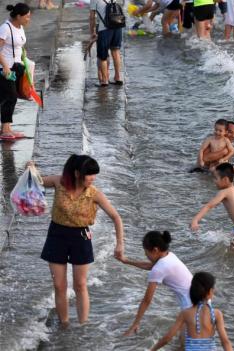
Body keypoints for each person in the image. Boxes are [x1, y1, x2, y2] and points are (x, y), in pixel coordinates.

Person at [31, 154, 124, 327]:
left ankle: (83, 326)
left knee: (80, 285)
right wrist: (31, 169)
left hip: (80, 238)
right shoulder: (59, 182)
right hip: (56, 235)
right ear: (76, 173)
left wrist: (120, 244)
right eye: (89, 174)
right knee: (59, 285)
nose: (92, 178)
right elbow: (36, 181)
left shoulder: (94, 194)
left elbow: (116, 217)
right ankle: (64, 325)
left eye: (94, 174)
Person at [117, 230, 193, 336]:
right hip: (200, 300)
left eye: (146, 252)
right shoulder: (169, 256)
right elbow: (150, 266)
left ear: (155, 250)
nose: (146, 255)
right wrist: (126, 261)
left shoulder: (159, 269)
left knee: (186, 344)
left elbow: (146, 300)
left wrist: (135, 323)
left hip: (190, 307)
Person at [151, 272, 233, 351]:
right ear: (210, 291)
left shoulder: (185, 313)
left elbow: (167, 338)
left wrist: (153, 349)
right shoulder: (217, 314)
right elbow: (225, 342)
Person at [0, 3, 30, 140]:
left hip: (17, 66)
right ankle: (5, 129)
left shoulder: (21, 27)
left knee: (10, 96)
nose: (29, 19)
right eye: (27, 16)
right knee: (10, 97)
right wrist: (5, 67)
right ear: (18, 16)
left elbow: (19, 45)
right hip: (6, 68)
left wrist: (24, 56)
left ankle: (7, 128)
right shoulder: (5, 28)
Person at [89, 0, 123, 86]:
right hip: (117, 26)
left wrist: (92, 31)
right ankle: (118, 77)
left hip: (104, 29)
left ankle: (104, 80)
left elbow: (92, 17)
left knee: (102, 56)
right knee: (116, 51)